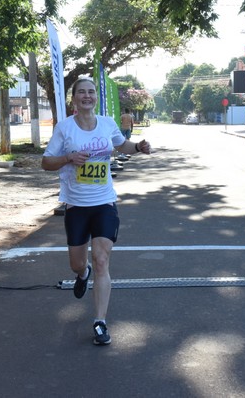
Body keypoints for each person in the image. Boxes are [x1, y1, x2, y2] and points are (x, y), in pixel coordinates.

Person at [42, 77, 151, 346]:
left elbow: (119, 145)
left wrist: (136, 147)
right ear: (74, 99)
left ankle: (100, 322)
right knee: (78, 263)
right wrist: (68, 157)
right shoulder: (65, 128)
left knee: (102, 259)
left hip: (104, 202)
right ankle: (82, 274)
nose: (87, 96)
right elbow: (46, 162)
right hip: (76, 206)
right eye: (82, 93)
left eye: (91, 92)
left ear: (95, 97)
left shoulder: (107, 124)